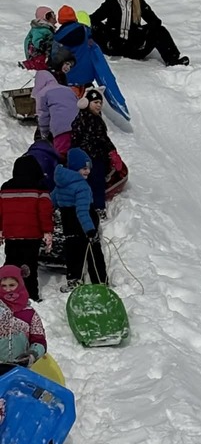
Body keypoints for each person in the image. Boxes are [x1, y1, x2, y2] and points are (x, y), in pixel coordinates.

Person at [90, 0, 189, 66]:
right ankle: (81, 54)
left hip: (134, 48)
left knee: (160, 30)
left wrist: (139, 32)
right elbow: (94, 18)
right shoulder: (111, 3)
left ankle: (173, 60)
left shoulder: (140, 4)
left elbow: (155, 22)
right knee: (90, 26)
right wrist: (109, 35)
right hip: (112, 46)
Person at [51, 148, 107, 291]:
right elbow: (82, 211)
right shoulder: (82, 186)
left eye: (88, 168)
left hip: (69, 225)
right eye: (83, 168)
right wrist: (90, 230)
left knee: (73, 253)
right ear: (75, 167)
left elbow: (52, 202)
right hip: (84, 225)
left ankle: (74, 281)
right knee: (93, 253)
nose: (87, 171)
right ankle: (100, 282)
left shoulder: (61, 184)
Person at [0, 156, 53, 302]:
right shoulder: (39, 189)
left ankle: (6, 292)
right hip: (31, 236)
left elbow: (1, 211)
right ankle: (31, 295)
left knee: (11, 263)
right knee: (29, 267)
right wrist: (47, 231)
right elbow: (45, 213)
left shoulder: (5, 188)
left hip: (11, 235)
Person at [70, 88, 126, 212]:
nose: (99, 105)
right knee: (97, 183)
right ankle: (98, 208)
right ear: (87, 103)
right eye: (95, 102)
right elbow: (101, 140)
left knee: (89, 184)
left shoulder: (89, 118)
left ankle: (87, 207)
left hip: (88, 158)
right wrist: (110, 151)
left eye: (100, 103)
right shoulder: (88, 120)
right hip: (93, 158)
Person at [0, 265, 47, 366]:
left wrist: (32, 354)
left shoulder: (30, 314)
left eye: (12, 285)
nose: (8, 290)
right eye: (3, 286)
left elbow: (40, 341)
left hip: (20, 369)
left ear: (20, 284)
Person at [32, 71, 80, 159]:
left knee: (61, 156)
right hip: (78, 126)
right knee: (77, 155)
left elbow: (43, 116)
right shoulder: (68, 89)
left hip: (61, 129)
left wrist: (44, 134)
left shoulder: (42, 93)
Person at [20, 6, 56, 70]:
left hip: (44, 51)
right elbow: (36, 40)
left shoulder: (48, 28)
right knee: (42, 62)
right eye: (51, 16)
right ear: (45, 17)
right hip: (35, 52)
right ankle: (29, 64)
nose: (53, 18)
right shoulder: (39, 28)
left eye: (54, 15)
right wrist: (42, 44)